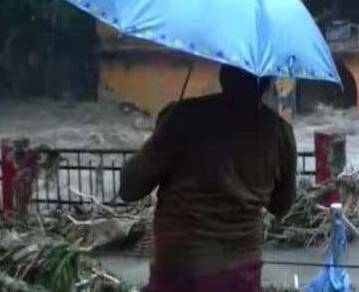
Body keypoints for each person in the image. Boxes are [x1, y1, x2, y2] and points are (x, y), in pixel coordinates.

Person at [119, 64, 297, 292]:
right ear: (267, 83)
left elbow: (130, 188)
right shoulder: (280, 132)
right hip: (240, 272)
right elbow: (281, 206)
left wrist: (163, 132)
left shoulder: (183, 116)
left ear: (223, 75)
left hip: (180, 268)